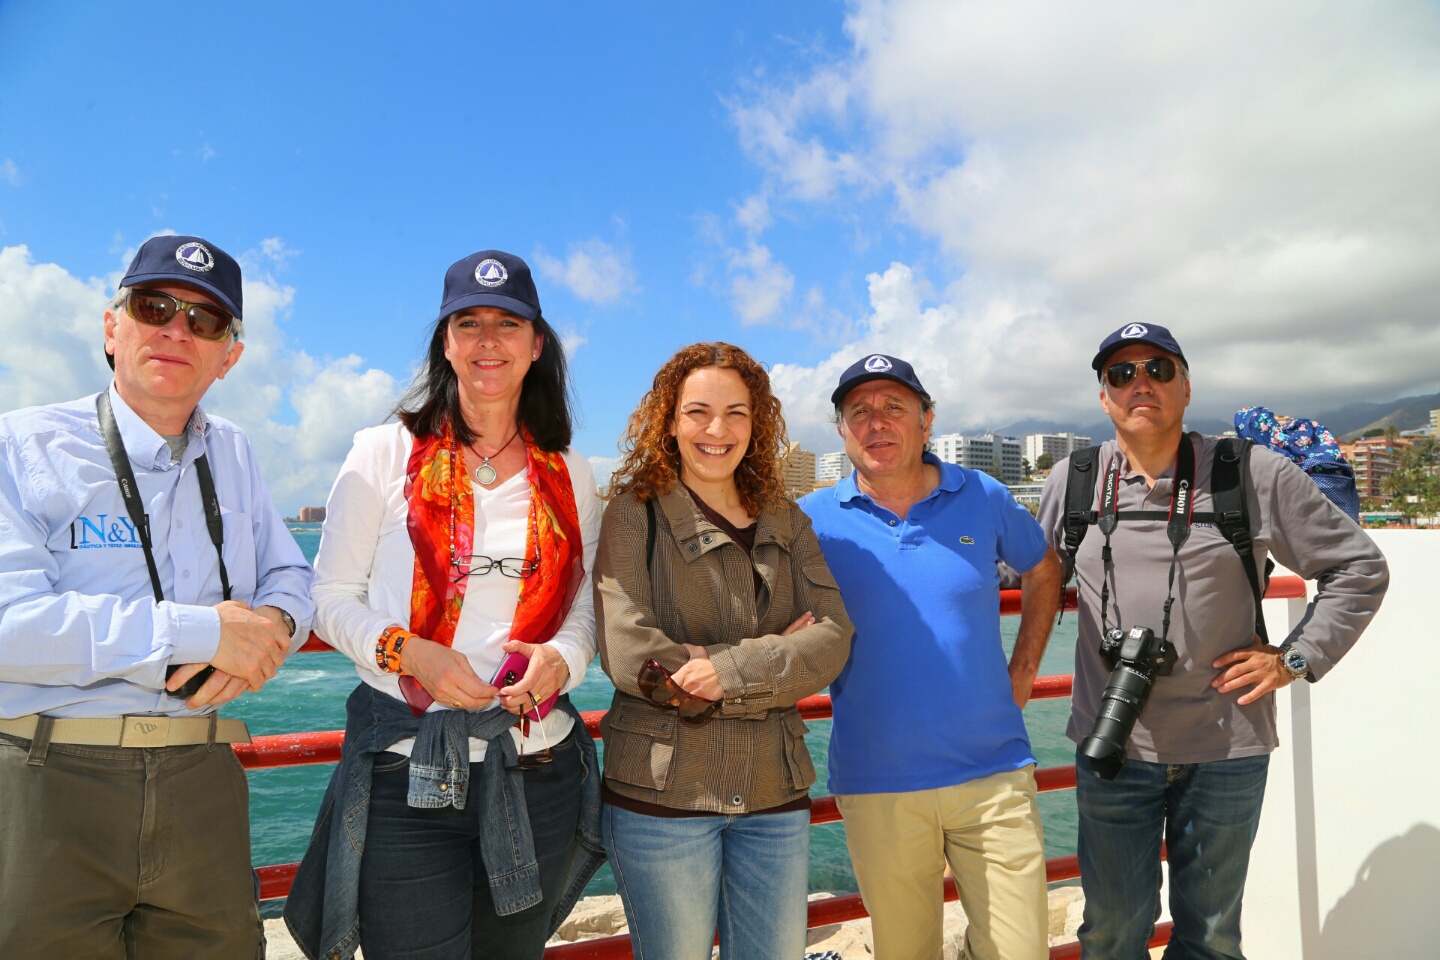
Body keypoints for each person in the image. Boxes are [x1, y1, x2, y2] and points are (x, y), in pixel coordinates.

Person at [0, 234, 313, 959]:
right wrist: (203, 634)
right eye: (154, 306)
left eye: (205, 320)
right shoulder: (22, 445)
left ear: (228, 356)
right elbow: (9, 622)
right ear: (113, 328)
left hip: (201, 778)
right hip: (48, 779)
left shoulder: (234, 451)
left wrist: (268, 628)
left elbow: (293, 578)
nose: (178, 328)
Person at [283, 251, 603, 960]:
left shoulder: (570, 468)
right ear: (446, 342)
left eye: (508, 323)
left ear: (536, 344)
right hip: (408, 775)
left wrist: (566, 658)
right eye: (469, 322)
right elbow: (327, 597)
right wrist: (410, 653)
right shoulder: (379, 452)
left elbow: (586, 601)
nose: (489, 340)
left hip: (537, 768)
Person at [1036, 323, 1389, 959]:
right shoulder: (1075, 479)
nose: (1139, 383)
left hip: (1227, 747)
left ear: (1187, 386)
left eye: (1158, 369)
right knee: (1112, 932)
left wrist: (1293, 660)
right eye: (1121, 373)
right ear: (1103, 396)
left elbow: (1358, 568)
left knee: (1212, 938)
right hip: (1111, 741)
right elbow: (1018, 575)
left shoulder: (1250, 472)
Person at [594, 342, 853, 960]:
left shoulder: (786, 516)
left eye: (737, 413)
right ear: (669, 421)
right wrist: (774, 659)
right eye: (699, 412)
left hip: (773, 794)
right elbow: (632, 654)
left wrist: (722, 668)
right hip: (664, 800)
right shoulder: (635, 514)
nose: (718, 430)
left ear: (756, 424)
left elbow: (834, 634)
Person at [799, 353, 1062, 960]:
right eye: (859, 411)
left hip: (993, 773)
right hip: (878, 782)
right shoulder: (811, 520)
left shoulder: (983, 494)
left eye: (895, 407)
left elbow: (1043, 566)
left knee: (1020, 951)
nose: (877, 422)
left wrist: (1023, 669)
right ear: (841, 430)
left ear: (927, 420)